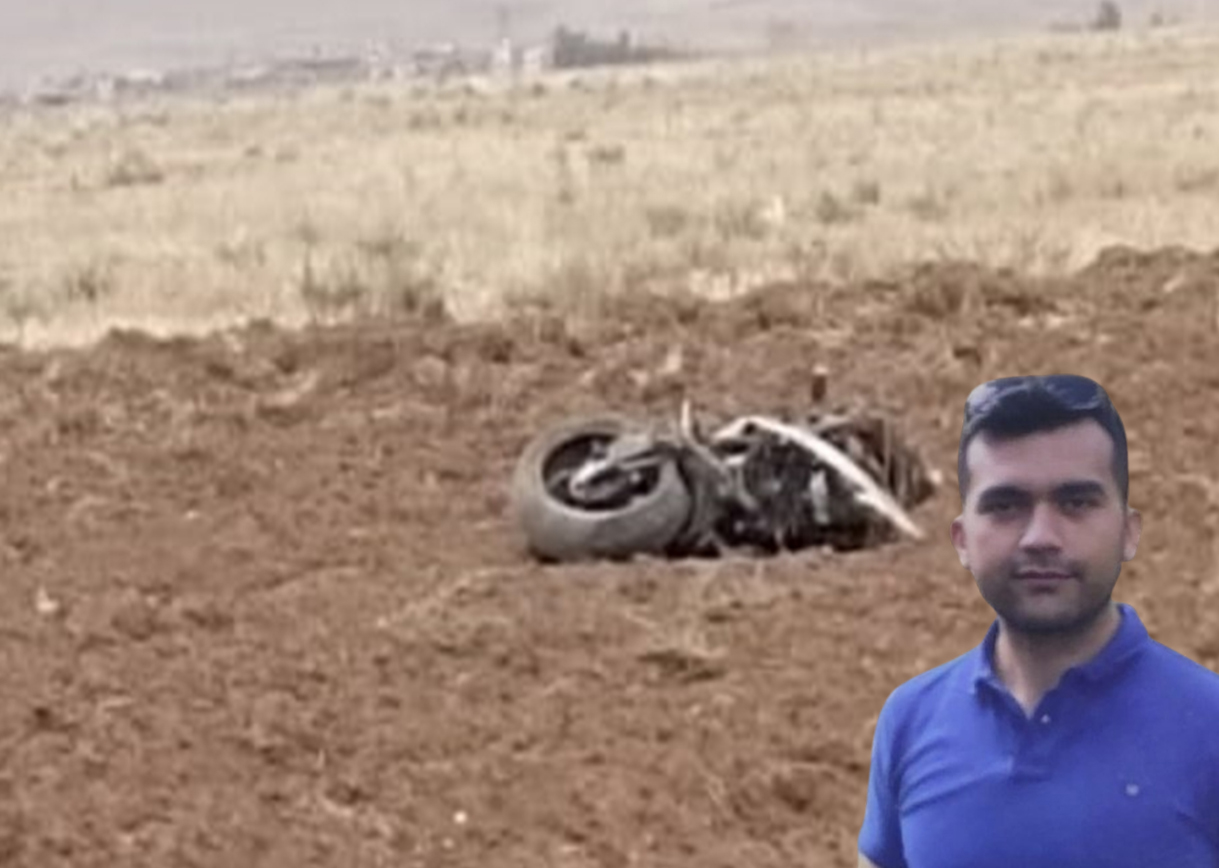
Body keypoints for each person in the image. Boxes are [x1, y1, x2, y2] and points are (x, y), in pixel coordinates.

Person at [857, 374, 1219, 868]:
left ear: (1128, 532)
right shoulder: (910, 722)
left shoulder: (1208, 727)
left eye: (1076, 503)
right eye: (1006, 506)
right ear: (962, 541)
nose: (1040, 537)